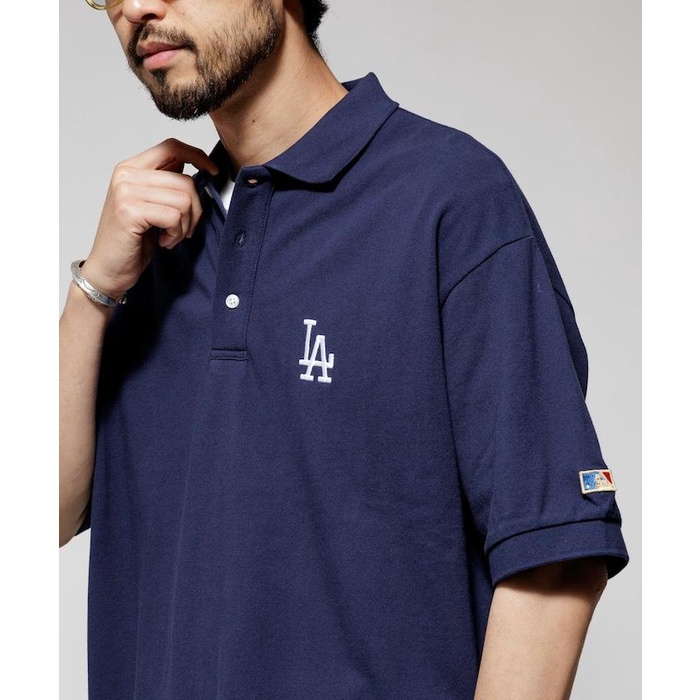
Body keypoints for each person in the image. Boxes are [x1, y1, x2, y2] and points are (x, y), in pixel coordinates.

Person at [59, 1, 629, 698]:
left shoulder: (449, 199)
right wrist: (93, 291)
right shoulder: (152, 239)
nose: (134, 7)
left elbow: (555, 557)